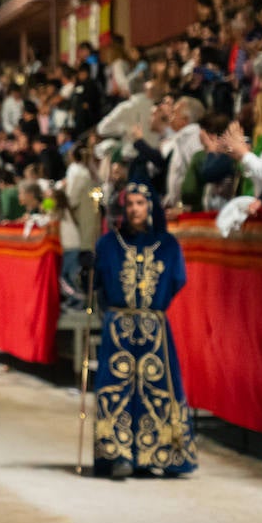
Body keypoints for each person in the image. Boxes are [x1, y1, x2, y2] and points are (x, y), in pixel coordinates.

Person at [92, 182, 197, 479]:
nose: (135, 209)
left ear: (151, 207)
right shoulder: (108, 244)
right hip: (118, 329)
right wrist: (88, 271)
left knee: (158, 389)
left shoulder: (168, 245)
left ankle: (160, 453)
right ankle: (118, 454)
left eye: (141, 203)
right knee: (117, 389)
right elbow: (96, 283)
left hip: (154, 328)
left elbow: (177, 280)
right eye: (131, 204)